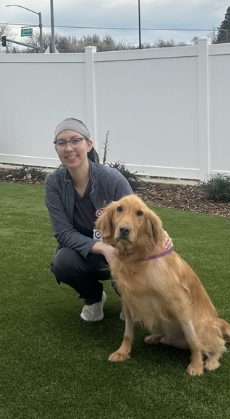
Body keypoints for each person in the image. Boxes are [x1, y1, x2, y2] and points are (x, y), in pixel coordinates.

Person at [44, 118, 171, 322]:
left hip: (121, 250)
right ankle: (94, 299)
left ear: (88, 144)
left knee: (138, 260)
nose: (69, 148)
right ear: (56, 148)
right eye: (62, 143)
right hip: (83, 254)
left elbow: (137, 212)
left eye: (75, 140)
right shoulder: (54, 183)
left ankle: (129, 299)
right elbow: (62, 233)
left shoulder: (111, 178)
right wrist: (103, 248)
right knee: (62, 263)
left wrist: (161, 233)